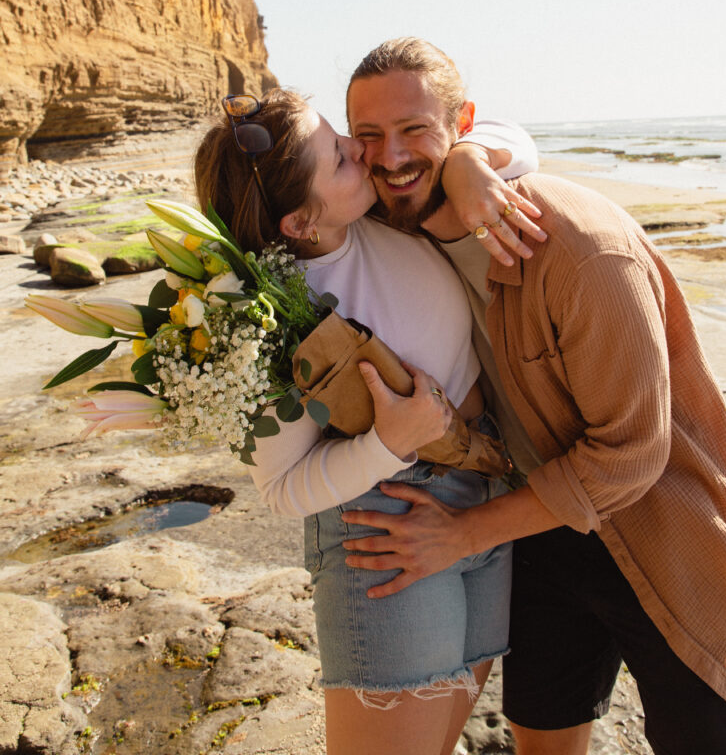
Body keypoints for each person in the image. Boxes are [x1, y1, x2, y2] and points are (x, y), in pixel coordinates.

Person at [341, 37, 726, 755]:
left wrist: (463, 535)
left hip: (661, 530)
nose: (390, 157)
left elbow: (633, 457)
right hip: (539, 527)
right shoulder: (393, 224)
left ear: (461, 124)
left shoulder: (579, 250)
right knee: (541, 737)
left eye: (414, 129)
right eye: (369, 137)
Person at [193, 87, 542, 755]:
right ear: (299, 222)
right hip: (390, 523)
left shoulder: (382, 212)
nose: (364, 151)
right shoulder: (272, 315)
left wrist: (467, 160)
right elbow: (281, 489)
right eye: (342, 158)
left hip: (484, 490)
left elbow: (516, 142)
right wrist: (389, 442)